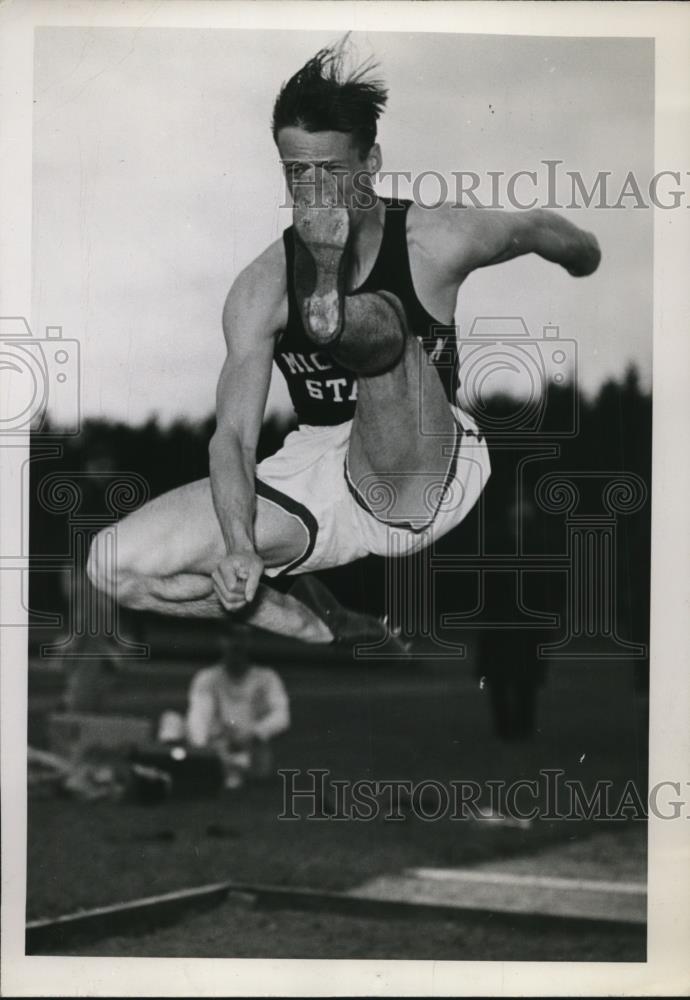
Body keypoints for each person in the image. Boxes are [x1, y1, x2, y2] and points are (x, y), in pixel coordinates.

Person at [87, 38, 600, 648]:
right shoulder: (259, 288)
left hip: (423, 461)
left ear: (371, 161)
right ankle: (312, 622)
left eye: (330, 170)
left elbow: (536, 228)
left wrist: (582, 256)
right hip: (318, 474)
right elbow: (233, 437)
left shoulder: (434, 240)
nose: (312, 189)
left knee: (386, 326)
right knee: (112, 563)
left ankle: (338, 315)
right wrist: (239, 546)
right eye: (295, 172)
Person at [183, 632, 290, 789]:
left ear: (249, 642)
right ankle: (211, 766)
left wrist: (253, 732)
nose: (235, 644)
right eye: (230, 637)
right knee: (171, 721)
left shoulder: (266, 677)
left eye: (241, 638)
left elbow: (282, 717)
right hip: (217, 743)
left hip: (251, 747)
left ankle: (229, 769)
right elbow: (199, 716)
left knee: (243, 767)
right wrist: (202, 749)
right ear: (221, 641)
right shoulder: (207, 677)